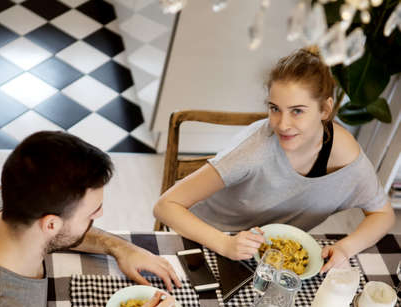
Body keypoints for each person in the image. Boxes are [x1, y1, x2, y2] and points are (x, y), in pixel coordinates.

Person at [154, 47, 395, 274]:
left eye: (297, 111)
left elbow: (383, 214)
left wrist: (345, 247)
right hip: (207, 239)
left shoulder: (346, 158)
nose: (282, 124)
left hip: (268, 258)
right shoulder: (254, 149)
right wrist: (225, 244)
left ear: (325, 110)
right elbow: (165, 206)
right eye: (274, 108)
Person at [0, 131, 181, 307]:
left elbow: (62, 229)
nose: (99, 214)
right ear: (51, 224)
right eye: (92, 212)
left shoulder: (4, 200)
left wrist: (120, 248)